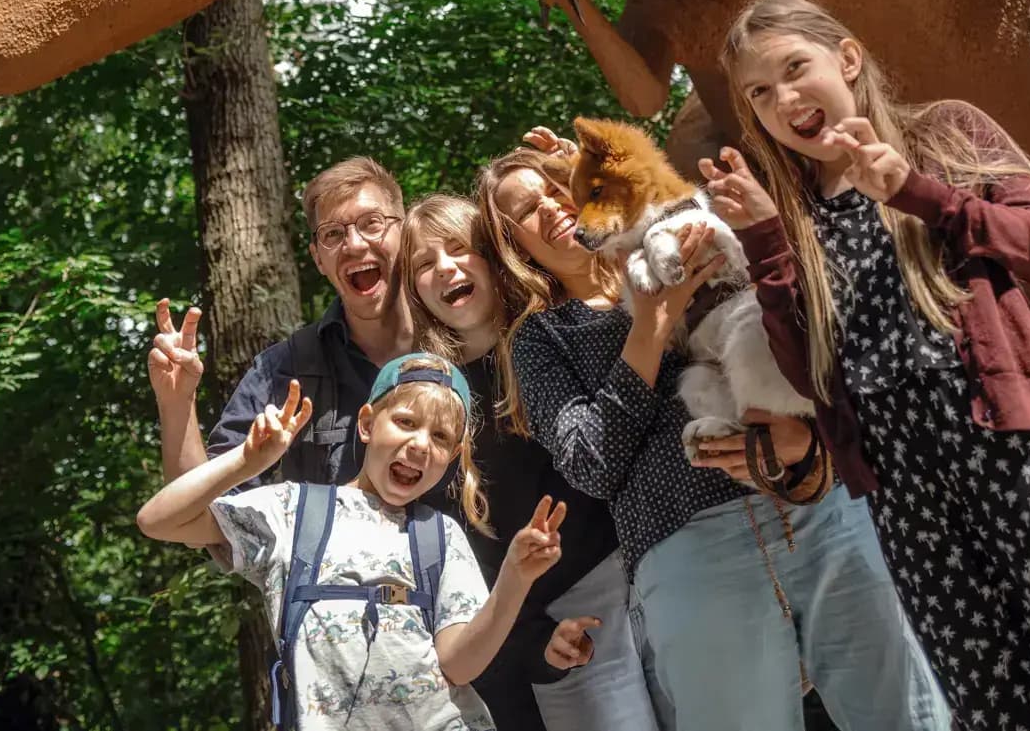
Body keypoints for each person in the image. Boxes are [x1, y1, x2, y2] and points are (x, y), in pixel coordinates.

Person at [708, 0, 1030, 731]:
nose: (782, 98)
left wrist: (918, 193)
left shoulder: (945, 134)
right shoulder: (792, 217)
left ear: (846, 58)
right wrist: (762, 241)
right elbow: (809, 377)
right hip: (906, 501)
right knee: (998, 712)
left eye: (793, 68)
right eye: (759, 92)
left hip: (1020, 454)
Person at [488, 135, 950, 731]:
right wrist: (652, 326)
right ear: (513, 245)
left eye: (558, 187)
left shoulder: (686, 226)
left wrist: (808, 449)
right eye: (525, 208)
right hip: (691, 552)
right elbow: (591, 464)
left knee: (905, 716)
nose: (551, 205)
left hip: (817, 509)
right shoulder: (544, 338)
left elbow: (809, 333)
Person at [138, 354, 576, 730]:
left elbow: (460, 665)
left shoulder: (440, 536)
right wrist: (244, 462)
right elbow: (159, 520)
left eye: (441, 437)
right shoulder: (294, 512)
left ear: (452, 458)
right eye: (406, 422)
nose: (421, 445)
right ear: (367, 423)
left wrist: (516, 578)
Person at [395, 193, 662, 731]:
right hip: (569, 629)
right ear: (414, 291)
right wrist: (536, 638)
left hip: (661, 575)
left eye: (459, 249)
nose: (445, 268)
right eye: (424, 264)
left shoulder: (567, 332)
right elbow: (459, 560)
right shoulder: (434, 408)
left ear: (495, 257)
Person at [148, 157, 415, 488]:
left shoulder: (465, 343)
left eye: (372, 223)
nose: (355, 244)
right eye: (332, 233)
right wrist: (178, 404)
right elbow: (204, 509)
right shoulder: (285, 369)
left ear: (406, 233)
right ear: (318, 258)